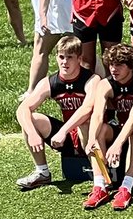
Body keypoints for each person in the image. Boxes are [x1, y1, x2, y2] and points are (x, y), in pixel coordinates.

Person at [14, 35, 100, 190]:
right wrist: (32, 133)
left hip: (92, 134)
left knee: (85, 123)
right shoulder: (50, 82)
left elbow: (87, 109)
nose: (64, 62)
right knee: (30, 119)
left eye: (69, 57)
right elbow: (22, 109)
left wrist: (63, 131)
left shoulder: (92, 79)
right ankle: (42, 172)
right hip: (67, 136)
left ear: (79, 58)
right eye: (61, 57)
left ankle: (98, 173)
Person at [82, 44, 133, 211]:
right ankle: (100, 186)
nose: (113, 69)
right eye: (111, 64)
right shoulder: (105, 84)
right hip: (118, 129)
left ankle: (126, 188)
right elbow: (98, 114)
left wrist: (117, 144)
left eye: (119, 65)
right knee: (99, 130)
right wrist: (91, 139)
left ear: (131, 66)